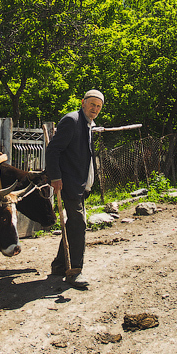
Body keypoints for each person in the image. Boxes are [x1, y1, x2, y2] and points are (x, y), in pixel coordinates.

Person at [45, 89, 104, 290]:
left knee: (72, 225)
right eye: (92, 104)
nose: (95, 109)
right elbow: (53, 150)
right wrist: (55, 177)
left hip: (79, 184)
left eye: (98, 106)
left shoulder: (87, 124)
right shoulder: (72, 120)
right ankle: (75, 271)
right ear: (83, 102)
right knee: (78, 223)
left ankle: (60, 265)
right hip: (67, 183)